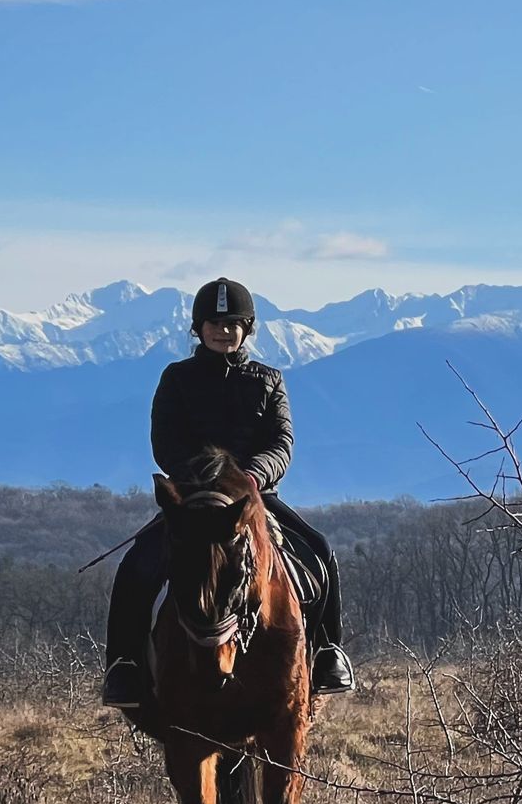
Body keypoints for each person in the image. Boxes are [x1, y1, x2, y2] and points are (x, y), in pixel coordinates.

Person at [101, 276, 355, 707]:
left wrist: (252, 477)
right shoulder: (177, 379)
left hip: (256, 498)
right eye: (215, 323)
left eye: (234, 323)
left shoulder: (269, 380)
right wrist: (202, 481)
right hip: (194, 501)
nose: (224, 331)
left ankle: (327, 654)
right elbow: (166, 441)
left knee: (320, 552)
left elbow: (282, 441)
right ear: (198, 328)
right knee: (135, 570)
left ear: (247, 328)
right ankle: (124, 666)